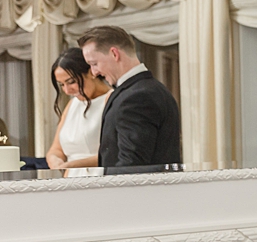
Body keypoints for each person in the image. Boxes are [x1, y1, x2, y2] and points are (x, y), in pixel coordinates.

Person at [79, 26, 181, 172]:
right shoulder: (146, 89)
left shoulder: (138, 97)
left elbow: (132, 165)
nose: (94, 73)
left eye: (94, 64)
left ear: (114, 54)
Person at [45, 47, 111, 171]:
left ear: (91, 72)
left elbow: (114, 154)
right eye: (62, 85)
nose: (67, 90)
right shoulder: (72, 105)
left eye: (71, 82)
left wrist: (73, 165)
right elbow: (56, 150)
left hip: (101, 179)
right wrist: (55, 160)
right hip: (71, 180)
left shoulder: (111, 100)